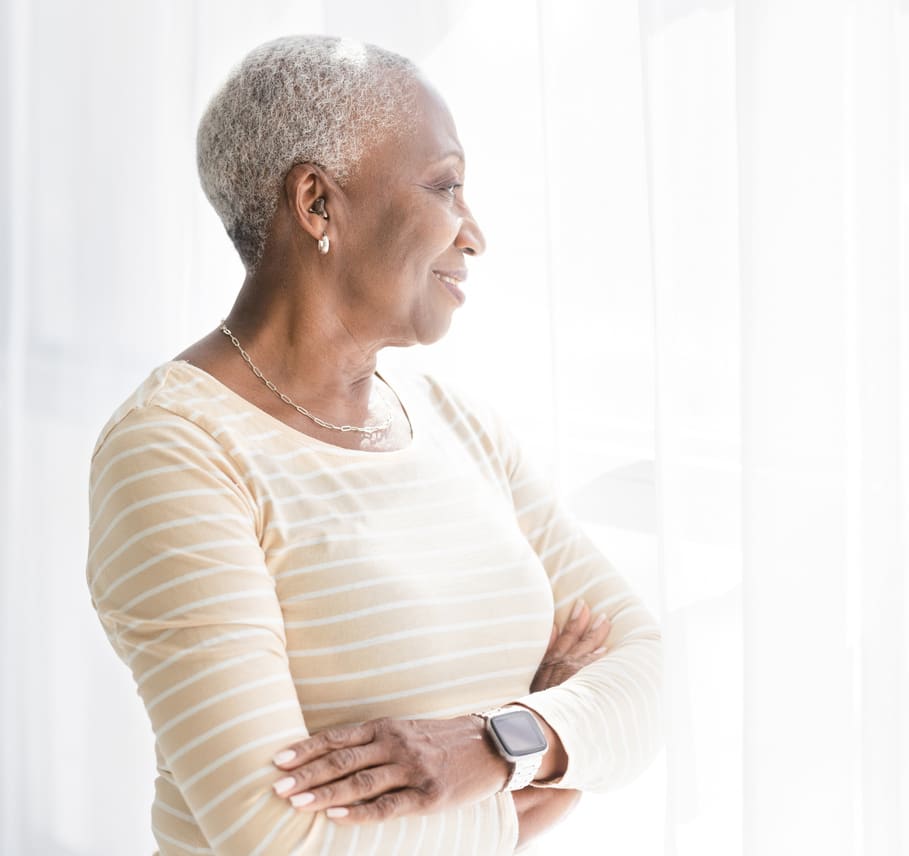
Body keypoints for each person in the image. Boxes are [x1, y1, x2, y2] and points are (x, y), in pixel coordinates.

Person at [85, 34, 661, 855]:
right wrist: (556, 769)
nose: (475, 235)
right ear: (318, 202)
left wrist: (495, 745)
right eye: (445, 186)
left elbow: (648, 671)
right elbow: (277, 837)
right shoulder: (173, 452)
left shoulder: (459, 426)